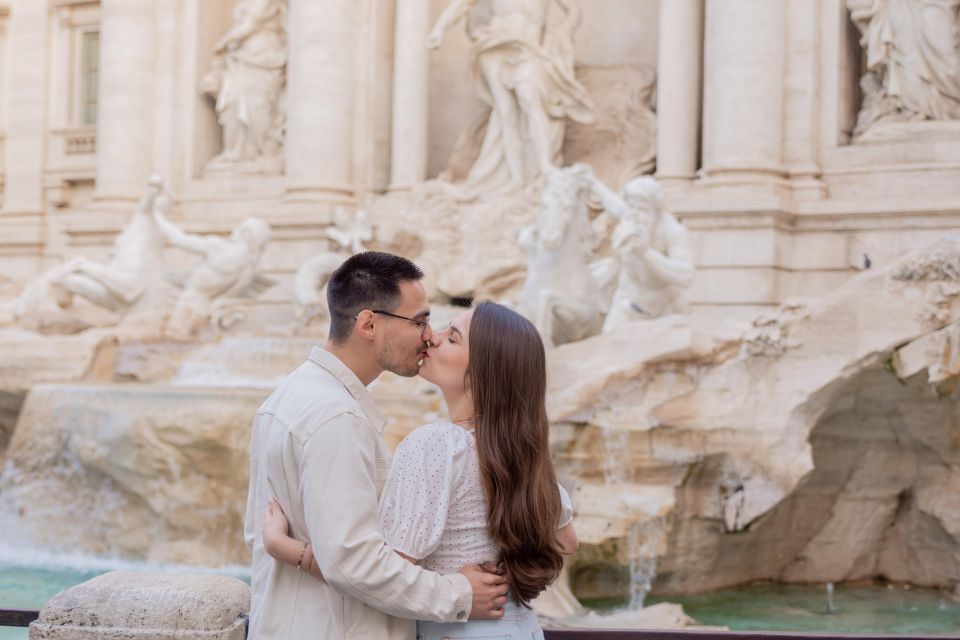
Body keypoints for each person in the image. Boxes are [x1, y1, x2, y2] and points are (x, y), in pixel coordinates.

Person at [263, 300, 579, 639]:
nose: (433, 337)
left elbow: (380, 573)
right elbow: (567, 541)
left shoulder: (435, 445)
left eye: (453, 337)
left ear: (482, 372)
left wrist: (286, 548)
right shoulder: (520, 456)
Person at [244, 252, 509, 640]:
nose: (427, 335)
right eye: (419, 321)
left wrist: (288, 548)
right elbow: (355, 561)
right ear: (369, 323)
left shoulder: (286, 397)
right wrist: (459, 593)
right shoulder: (337, 418)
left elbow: (260, 533)